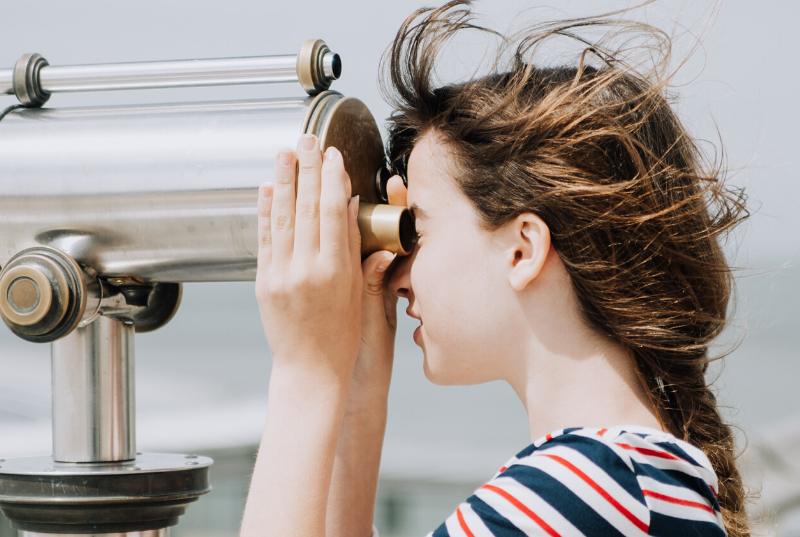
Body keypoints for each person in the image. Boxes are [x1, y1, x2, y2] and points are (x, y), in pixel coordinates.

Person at [240, 2, 749, 536]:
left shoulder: (572, 495)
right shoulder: (643, 483)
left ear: (522, 249)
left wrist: (306, 370)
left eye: (419, 228)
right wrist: (358, 395)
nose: (397, 274)